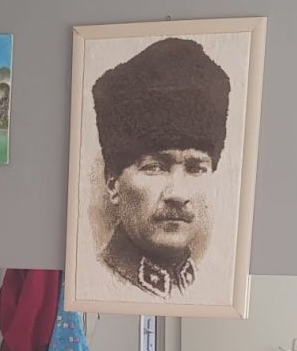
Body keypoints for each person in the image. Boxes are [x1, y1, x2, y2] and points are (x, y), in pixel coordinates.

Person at [91, 37, 231, 298]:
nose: (177, 194)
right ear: (112, 182)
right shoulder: (95, 277)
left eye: (196, 168)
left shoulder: (205, 287)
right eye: (155, 167)